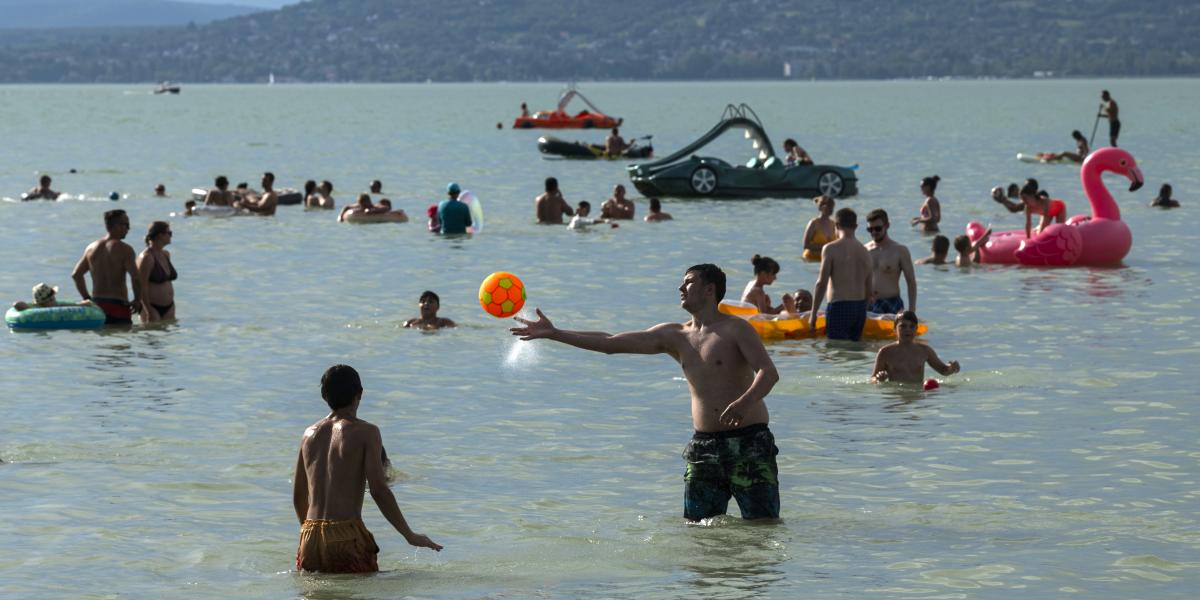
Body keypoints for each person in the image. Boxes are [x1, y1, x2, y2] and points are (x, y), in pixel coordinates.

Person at [510, 264, 781, 522]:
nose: (680, 288)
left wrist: (745, 402)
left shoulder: (736, 328)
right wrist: (555, 333)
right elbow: (610, 343)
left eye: (688, 282)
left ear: (710, 289)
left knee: (762, 525)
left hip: (749, 442)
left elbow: (768, 373)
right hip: (704, 447)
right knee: (700, 530)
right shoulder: (675, 335)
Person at [294, 365, 442, 573]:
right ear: (360, 394)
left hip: (309, 534)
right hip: (346, 535)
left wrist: (312, 536)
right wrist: (409, 535)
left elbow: (299, 496)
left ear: (324, 396)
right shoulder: (366, 432)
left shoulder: (308, 435)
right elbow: (378, 490)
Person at [71, 209, 144, 325]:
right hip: (118, 306)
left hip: (97, 307)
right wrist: (137, 300)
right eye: (126, 225)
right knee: (122, 336)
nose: (128, 229)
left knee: (102, 336)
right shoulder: (125, 249)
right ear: (116, 226)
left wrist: (86, 298)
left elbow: (76, 275)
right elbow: (135, 277)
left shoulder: (91, 248)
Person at [810, 208, 873, 341]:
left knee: (837, 349)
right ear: (856, 226)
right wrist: (862, 310)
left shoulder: (830, 248)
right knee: (855, 349)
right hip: (860, 308)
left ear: (836, 225)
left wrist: (813, 313)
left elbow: (821, 283)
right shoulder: (865, 252)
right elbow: (869, 288)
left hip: (839, 306)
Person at [871, 311, 960, 384]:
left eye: (912, 326)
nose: (908, 329)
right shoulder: (885, 352)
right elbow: (873, 379)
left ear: (916, 329)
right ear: (894, 329)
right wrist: (878, 379)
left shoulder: (925, 351)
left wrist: (951, 368)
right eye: (903, 326)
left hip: (917, 396)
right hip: (896, 396)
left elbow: (943, 370)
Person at [864, 209, 917, 315]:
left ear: (887, 225)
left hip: (891, 303)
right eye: (870, 229)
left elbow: (911, 282)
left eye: (877, 228)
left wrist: (912, 311)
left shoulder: (900, 250)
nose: (874, 232)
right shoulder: (864, 250)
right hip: (868, 303)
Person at [136, 221, 177, 322]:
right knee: (152, 331)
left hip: (169, 306)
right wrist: (148, 310)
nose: (171, 236)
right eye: (169, 233)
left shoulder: (166, 254)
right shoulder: (146, 257)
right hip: (152, 307)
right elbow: (141, 286)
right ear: (160, 235)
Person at [12, 282, 92, 312]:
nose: (55, 299)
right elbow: (16, 304)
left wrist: (80, 304)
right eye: (53, 297)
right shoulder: (36, 308)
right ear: (50, 299)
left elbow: (68, 305)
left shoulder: (57, 306)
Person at [802, 195, 836, 261]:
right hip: (811, 259)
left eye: (832, 207)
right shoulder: (813, 223)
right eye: (828, 207)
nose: (831, 209)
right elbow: (806, 245)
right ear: (821, 208)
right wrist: (826, 246)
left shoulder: (834, 224)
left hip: (826, 260)